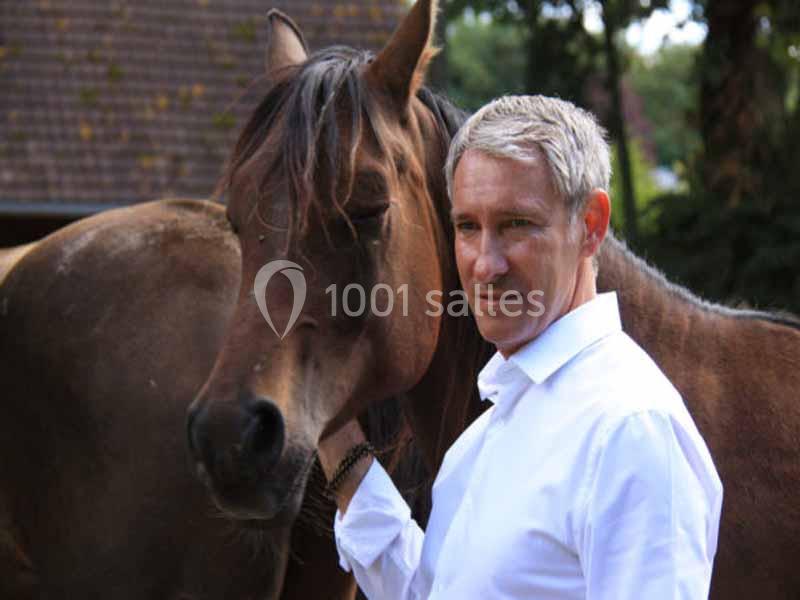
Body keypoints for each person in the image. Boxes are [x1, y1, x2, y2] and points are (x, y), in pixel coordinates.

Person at [317, 95, 723, 599]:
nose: (485, 264)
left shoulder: (630, 428)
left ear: (591, 225)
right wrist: (332, 429)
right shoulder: (485, 436)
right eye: (468, 226)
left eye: (516, 225)